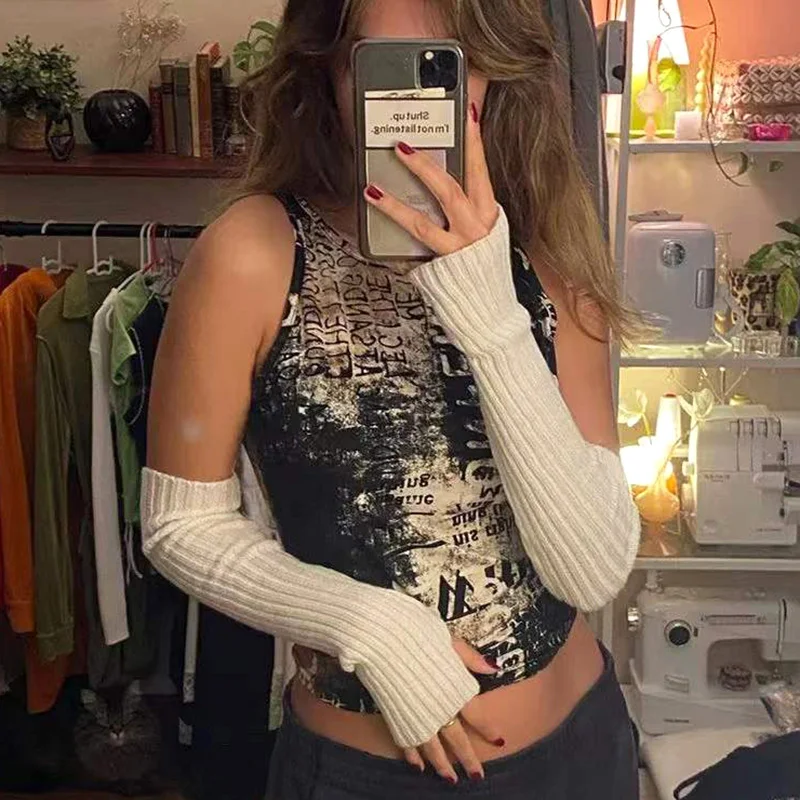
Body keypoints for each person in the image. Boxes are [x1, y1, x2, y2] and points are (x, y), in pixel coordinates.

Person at [140, 0, 643, 797]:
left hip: (582, 748)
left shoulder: (549, 245)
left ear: (493, 68)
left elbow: (591, 571)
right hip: (367, 774)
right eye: (382, 66)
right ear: (330, 72)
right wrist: (370, 628)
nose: (417, 99)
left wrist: (488, 311)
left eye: (449, 61)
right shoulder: (254, 252)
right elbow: (180, 525)